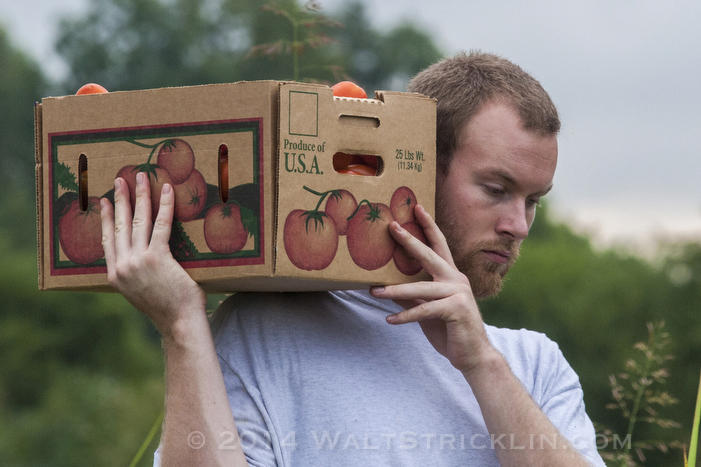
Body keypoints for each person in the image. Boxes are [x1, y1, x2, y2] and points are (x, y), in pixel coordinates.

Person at [100, 51, 606, 466]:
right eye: (497, 189)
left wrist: (479, 363)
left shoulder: (535, 367)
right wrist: (181, 325)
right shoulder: (265, 331)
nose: (518, 224)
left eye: (534, 200)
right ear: (420, 165)